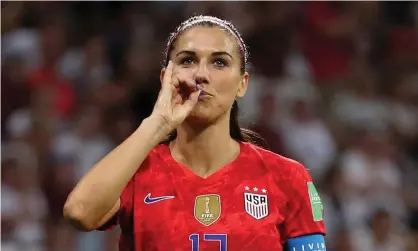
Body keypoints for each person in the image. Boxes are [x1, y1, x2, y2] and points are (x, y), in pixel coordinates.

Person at [63, 15, 327, 251]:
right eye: (188, 60)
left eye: (220, 63)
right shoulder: (136, 170)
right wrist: (156, 122)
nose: (201, 74)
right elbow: (80, 212)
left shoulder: (286, 177)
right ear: (166, 77)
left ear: (242, 84)